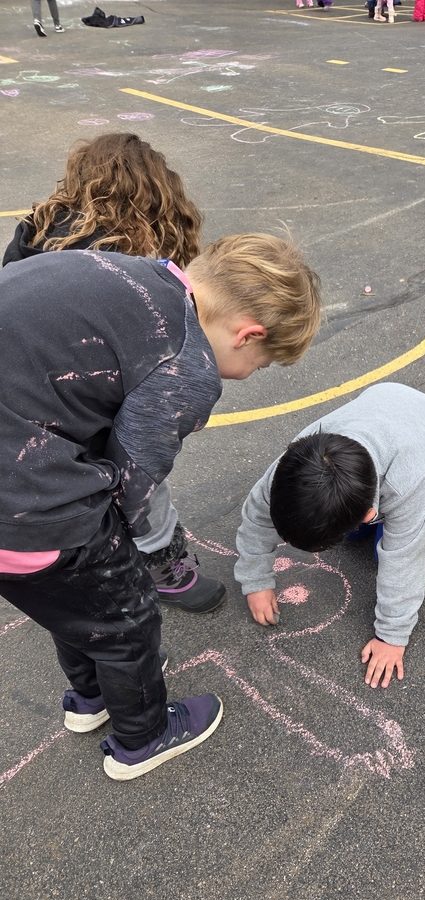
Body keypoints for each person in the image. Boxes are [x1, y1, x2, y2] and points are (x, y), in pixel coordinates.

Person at [0, 234, 321, 779]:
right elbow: (135, 477)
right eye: (261, 363)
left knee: (70, 603)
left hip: (16, 489)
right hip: (28, 508)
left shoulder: (124, 271)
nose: (250, 374)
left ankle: (90, 697)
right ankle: (143, 737)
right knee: (125, 618)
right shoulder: (186, 363)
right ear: (248, 335)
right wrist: (128, 551)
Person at [3, 133, 224, 614]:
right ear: (159, 201)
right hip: (84, 399)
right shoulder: (127, 260)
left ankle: (92, 558)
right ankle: (161, 562)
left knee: (88, 474)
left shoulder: (38, 230)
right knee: (138, 471)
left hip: (36, 404)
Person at [235, 383, 425, 689]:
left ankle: (368, 524)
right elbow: (258, 514)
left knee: (384, 552)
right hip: (386, 403)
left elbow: (407, 559)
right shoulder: (296, 462)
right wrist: (256, 579)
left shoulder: (411, 480)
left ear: (369, 516)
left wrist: (392, 636)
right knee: (339, 531)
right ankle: (346, 528)